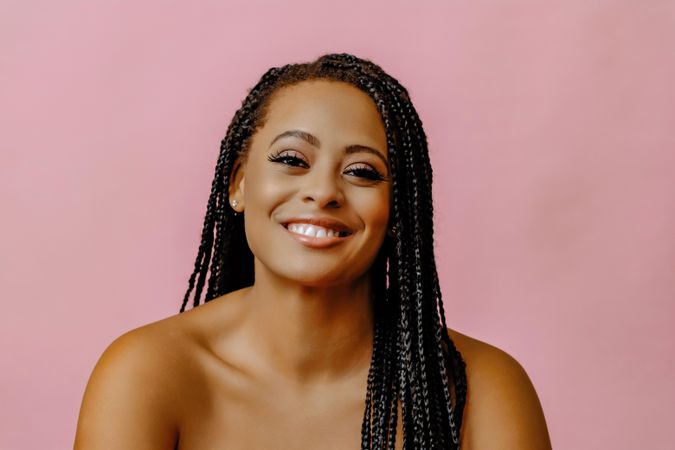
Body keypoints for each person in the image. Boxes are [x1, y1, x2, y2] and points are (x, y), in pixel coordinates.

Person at [74, 53, 551, 449]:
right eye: (291, 161)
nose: (323, 192)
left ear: (399, 210)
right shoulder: (147, 374)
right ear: (238, 183)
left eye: (363, 171)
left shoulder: (483, 389)